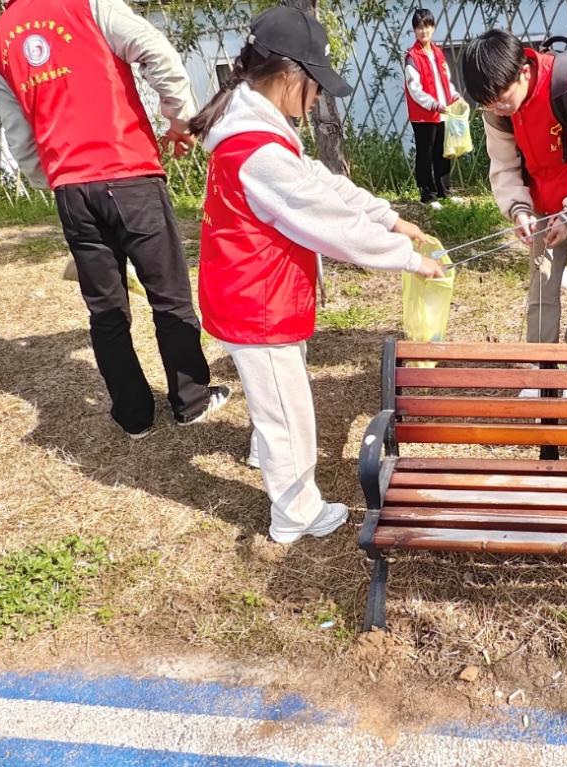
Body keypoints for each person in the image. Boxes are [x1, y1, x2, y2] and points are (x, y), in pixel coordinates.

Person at [188, 7, 444, 544]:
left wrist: (390, 219)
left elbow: (325, 185)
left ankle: (265, 450)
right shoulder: (259, 150)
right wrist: (409, 258)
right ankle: (295, 513)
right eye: (316, 85)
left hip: (257, 291)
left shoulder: (257, 124)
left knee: (276, 399)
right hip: (257, 302)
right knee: (288, 414)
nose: (318, 97)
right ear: (288, 76)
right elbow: (331, 223)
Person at [0, 0, 230, 440]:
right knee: (169, 295)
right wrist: (180, 118)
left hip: (71, 188)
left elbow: (17, 129)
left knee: (106, 310)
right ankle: (191, 401)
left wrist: (51, 177)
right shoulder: (88, 4)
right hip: (128, 171)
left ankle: (134, 416)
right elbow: (155, 49)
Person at [460, 29, 567, 397]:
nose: (497, 109)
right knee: (542, 287)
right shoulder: (496, 107)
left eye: (502, 100)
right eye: (488, 104)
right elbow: (503, 165)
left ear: (523, 71)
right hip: (542, 203)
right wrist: (519, 210)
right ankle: (539, 370)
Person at [404, 8, 464, 209]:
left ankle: (444, 192)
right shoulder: (412, 57)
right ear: (414, 30)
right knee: (425, 154)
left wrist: (453, 96)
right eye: (419, 27)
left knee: (443, 152)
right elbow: (415, 89)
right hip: (424, 115)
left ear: (433, 28)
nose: (423, 31)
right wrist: (434, 105)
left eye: (427, 26)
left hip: (442, 113)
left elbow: (446, 81)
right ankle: (427, 196)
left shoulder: (438, 53)